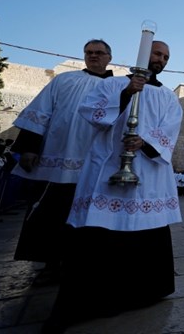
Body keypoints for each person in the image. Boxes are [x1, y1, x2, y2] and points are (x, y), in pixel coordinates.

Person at [44, 41, 183, 332]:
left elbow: (170, 129)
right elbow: (91, 113)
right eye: (157, 53)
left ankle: (139, 294)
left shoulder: (169, 97)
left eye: (166, 57)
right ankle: (85, 302)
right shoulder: (113, 84)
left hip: (149, 174)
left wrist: (145, 142)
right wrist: (125, 94)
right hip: (107, 167)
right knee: (98, 234)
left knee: (143, 231)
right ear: (143, 54)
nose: (161, 59)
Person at [11, 39, 114, 286]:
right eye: (89, 52)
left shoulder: (117, 87)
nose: (93, 56)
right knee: (51, 212)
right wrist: (30, 147)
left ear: (109, 57)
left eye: (99, 53)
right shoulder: (64, 80)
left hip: (95, 162)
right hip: (58, 157)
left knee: (89, 215)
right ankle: (49, 262)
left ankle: (80, 262)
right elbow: (41, 112)